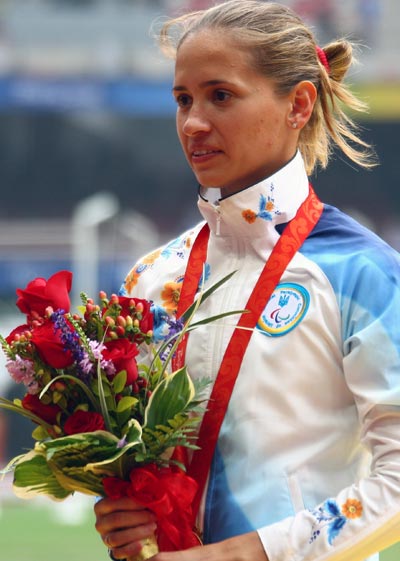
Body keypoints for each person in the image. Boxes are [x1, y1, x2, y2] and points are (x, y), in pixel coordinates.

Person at [94, 1, 400, 560]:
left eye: (221, 96)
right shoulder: (151, 277)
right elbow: (143, 461)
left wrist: (239, 554)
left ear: (299, 104)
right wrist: (125, 508)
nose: (193, 123)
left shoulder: (363, 273)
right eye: (183, 100)